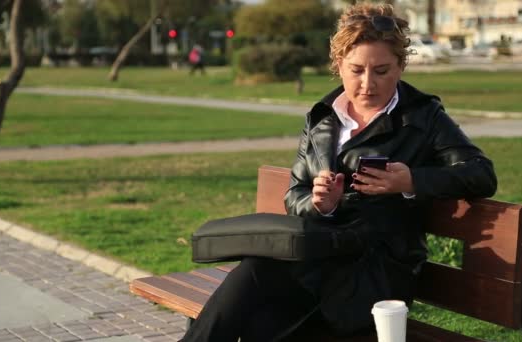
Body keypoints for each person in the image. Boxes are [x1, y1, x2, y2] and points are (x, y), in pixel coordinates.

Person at [179, 2, 497, 341]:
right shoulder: (322, 119)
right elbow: (295, 195)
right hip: (317, 260)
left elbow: (481, 174)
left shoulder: (423, 118)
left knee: (261, 313)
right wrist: (321, 203)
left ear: (401, 66)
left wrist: (411, 181)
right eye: (356, 70)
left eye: (382, 70)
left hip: (374, 276)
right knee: (257, 285)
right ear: (339, 65)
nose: (368, 84)